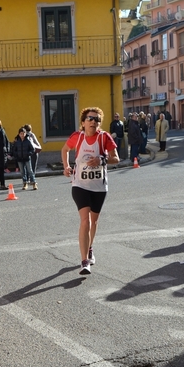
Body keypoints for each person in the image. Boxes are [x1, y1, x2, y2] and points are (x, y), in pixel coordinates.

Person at [60, 107, 120, 275]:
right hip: (80, 185)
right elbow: (65, 150)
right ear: (83, 122)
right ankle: (84, 261)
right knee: (85, 221)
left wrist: (102, 159)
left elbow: (116, 158)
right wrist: (66, 167)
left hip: (99, 187)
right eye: (90, 118)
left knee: (94, 222)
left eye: (97, 119)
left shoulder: (104, 137)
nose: (94, 121)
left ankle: (90, 247)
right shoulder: (77, 137)